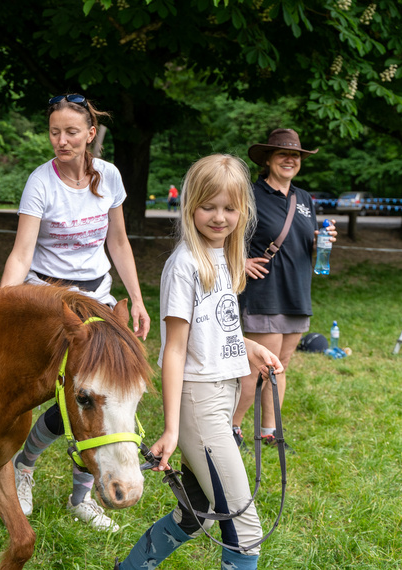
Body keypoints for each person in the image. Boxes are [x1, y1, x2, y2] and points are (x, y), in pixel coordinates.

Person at [116, 154, 284, 570]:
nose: (219, 217)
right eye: (209, 206)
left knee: (196, 510)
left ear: (243, 211)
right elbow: (174, 349)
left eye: (229, 208)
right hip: (198, 403)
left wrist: (248, 346)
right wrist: (172, 428)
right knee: (244, 530)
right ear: (190, 205)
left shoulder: (223, 258)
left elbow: (212, 328)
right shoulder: (185, 265)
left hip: (221, 397)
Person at [0, 93, 151, 531]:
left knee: (103, 392)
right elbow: (21, 252)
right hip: (48, 299)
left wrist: (136, 299)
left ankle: (82, 498)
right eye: (54, 132)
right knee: (65, 393)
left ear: (90, 134)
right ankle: (22, 465)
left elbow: (118, 243)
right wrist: (1, 303)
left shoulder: (109, 176)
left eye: (70, 132)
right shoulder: (40, 182)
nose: (61, 141)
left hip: (99, 297)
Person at [230, 129, 335, 452]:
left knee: (280, 366)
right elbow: (224, 234)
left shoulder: (303, 200)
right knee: (258, 369)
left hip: (296, 293)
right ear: (267, 160)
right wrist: (240, 262)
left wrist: (322, 243)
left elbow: (303, 240)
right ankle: (231, 429)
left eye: (296, 155)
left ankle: (269, 433)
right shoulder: (249, 194)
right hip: (264, 292)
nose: (290, 159)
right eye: (282, 154)